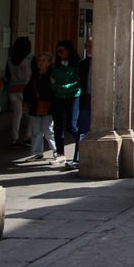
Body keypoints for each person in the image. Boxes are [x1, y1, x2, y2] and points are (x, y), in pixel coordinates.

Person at [50, 40, 81, 165]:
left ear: (68, 51)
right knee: (57, 125)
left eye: (61, 51)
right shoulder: (57, 66)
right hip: (58, 98)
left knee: (71, 126)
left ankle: (80, 146)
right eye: (57, 52)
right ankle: (60, 153)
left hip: (73, 97)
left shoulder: (76, 65)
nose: (59, 54)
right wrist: (56, 87)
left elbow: (78, 82)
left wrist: (64, 87)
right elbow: (52, 81)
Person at [23, 52, 57, 161]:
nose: (40, 63)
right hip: (35, 105)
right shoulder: (35, 74)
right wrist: (26, 103)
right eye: (39, 60)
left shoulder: (52, 74)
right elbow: (28, 89)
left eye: (43, 60)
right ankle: (37, 153)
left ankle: (56, 151)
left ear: (49, 62)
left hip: (49, 106)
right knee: (36, 131)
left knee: (48, 130)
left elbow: (54, 90)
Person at [68, 38, 93, 170]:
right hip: (85, 99)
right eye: (87, 46)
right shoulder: (82, 64)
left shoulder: (104, 63)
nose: (88, 48)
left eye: (91, 46)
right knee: (81, 129)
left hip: (98, 99)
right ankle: (77, 158)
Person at [5, 36, 33, 148]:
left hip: (12, 89)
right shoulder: (29, 58)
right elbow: (32, 74)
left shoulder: (10, 58)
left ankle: (15, 138)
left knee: (17, 115)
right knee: (30, 114)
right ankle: (28, 137)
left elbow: (7, 74)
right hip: (25, 88)